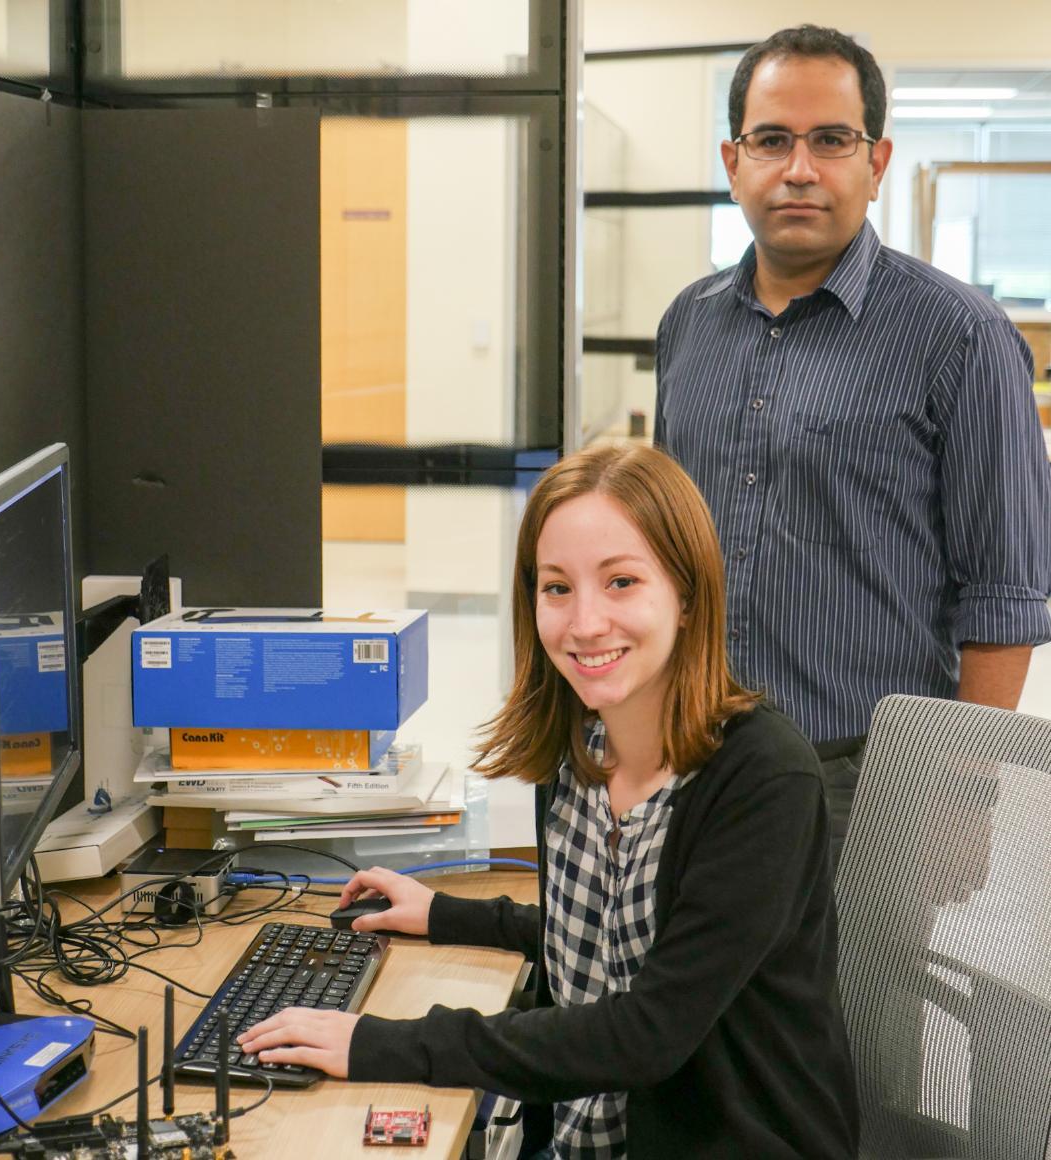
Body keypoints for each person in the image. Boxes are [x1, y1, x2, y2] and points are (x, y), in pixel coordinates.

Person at [240, 443, 859, 1159]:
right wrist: (445, 913)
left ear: (688, 596)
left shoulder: (761, 781)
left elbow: (646, 1031)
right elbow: (601, 940)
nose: (585, 623)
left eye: (622, 582)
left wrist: (385, 1043)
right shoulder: (581, 747)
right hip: (582, 1131)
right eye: (557, 588)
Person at [653, 25, 1051, 867]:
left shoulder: (960, 337)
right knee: (704, 996)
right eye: (772, 140)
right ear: (734, 162)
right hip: (697, 755)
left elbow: (1005, 593)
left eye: (832, 140)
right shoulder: (688, 324)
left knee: (855, 1003)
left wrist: (960, 789)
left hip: (869, 776)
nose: (800, 168)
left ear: (876, 162)